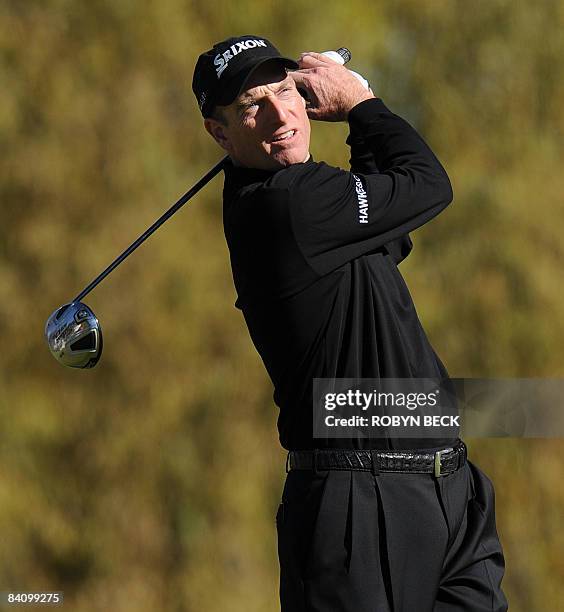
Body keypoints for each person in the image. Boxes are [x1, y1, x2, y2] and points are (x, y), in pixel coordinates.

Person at [192, 35, 508, 612]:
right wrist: (360, 104)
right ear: (219, 133)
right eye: (250, 107)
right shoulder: (283, 205)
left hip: (446, 490)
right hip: (357, 506)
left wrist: (361, 122)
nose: (279, 114)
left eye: (285, 91)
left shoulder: (314, 204)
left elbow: (390, 232)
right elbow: (428, 184)